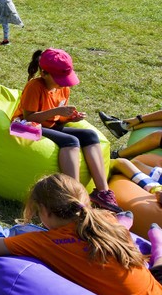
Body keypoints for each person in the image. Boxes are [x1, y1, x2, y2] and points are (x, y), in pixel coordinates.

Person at [0, 173, 162, 295]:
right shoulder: (106, 219)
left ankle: (158, 243)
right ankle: (146, 236)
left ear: (44, 211)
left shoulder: (46, 242)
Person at [11, 49, 121, 212]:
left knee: (90, 135)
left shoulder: (64, 88)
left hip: (49, 125)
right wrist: (56, 112)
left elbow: (57, 119)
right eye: (59, 79)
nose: (64, 83)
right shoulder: (34, 87)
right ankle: (73, 196)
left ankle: (103, 193)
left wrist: (70, 118)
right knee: (71, 141)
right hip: (25, 127)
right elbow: (30, 117)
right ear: (44, 73)